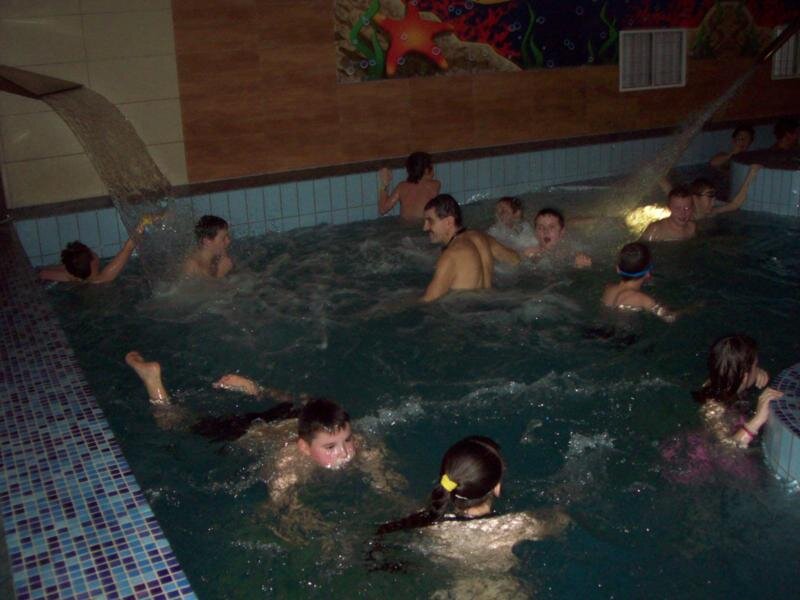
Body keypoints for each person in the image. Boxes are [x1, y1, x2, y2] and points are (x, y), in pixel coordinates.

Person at [125, 353, 404, 541]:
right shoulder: (287, 465)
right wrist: (325, 533)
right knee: (177, 424)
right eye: (331, 447)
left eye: (347, 440)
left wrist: (388, 489)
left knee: (303, 403)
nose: (344, 452)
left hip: (295, 416)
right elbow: (284, 513)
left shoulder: (358, 445)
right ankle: (152, 380)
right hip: (255, 429)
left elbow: (387, 482)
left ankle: (255, 388)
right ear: (304, 448)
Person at [374, 436, 569, 595]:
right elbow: (563, 518)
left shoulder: (425, 521)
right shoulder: (521, 525)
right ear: (497, 488)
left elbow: (391, 498)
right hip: (499, 592)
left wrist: (374, 465)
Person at [421, 194, 520, 302]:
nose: (425, 227)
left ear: (448, 222)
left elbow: (427, 302)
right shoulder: (481, 237)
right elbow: (515, 259)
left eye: (430, 221)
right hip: (491, 300)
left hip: (470, 308)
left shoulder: (451, 256)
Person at [692, 335, 783, 448]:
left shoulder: (713, 382)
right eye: (756, 365)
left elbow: (731, 369)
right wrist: (758, 419)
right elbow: (725, 449)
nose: (757, 368)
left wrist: (755, 373)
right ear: (744, 377)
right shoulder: (714, 410)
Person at [38, 217, 150, 284]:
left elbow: (42, 273)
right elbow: (128, 248)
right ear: (93, 262)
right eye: (90, 251)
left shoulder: (73, 276)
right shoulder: (103, 278)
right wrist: (143, 223)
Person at [602, 242, 676, 322]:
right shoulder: (643, 299)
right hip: (625, 329)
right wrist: (685, 311)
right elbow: (669, 317)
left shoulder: (608, 288)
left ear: (617, 269)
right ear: (647, 273)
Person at [378, 151, 441, 220]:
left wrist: (385, 183)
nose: (433, 170)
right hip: (424, 224)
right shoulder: (435, 185)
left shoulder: (401, 187)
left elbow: (382, 209)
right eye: (432, 166)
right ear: (426, 170)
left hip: (405, 225)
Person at [688, 164, 761, 219]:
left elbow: (735, 205)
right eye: (709, 199)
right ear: (695, 198)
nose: (713, 204)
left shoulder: (711, 213)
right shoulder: (688, 219)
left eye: (713, 200)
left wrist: (751, 173)